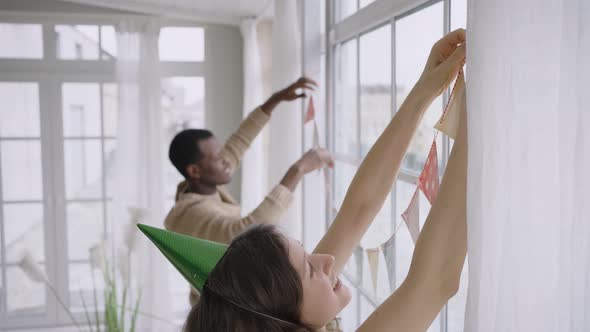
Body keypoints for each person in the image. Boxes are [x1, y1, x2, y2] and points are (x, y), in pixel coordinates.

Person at [144, 28, 468, 331]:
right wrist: (475, 120)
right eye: (311, 269)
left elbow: (357, 211)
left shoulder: (294, 305)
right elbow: (435, 280)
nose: (327, 259)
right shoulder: (195, 213)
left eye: (306, 253)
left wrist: (426, 88)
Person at [165, 77, 334, 305]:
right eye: (216, 157)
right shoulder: (189, 215)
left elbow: (239, 141)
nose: (226, 160)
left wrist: (276, 100)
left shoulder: (206, 181)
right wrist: (298, 169)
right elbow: (248, 233)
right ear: (194, 170)